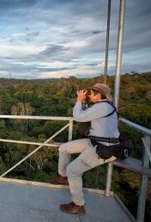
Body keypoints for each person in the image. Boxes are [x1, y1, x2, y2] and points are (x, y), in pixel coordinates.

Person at [50, 83, 119, 215]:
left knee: (73, 170)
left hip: (105, 147)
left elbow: (79, 117)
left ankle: (78, 205)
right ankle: (63, 177)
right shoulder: (100, 106)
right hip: (95, 141)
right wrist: (82, 103)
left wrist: (79, 101)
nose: (88, 95)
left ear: (99, 95)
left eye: (91, 93)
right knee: (64, 148)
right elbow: (85, 114)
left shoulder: (103, 107)